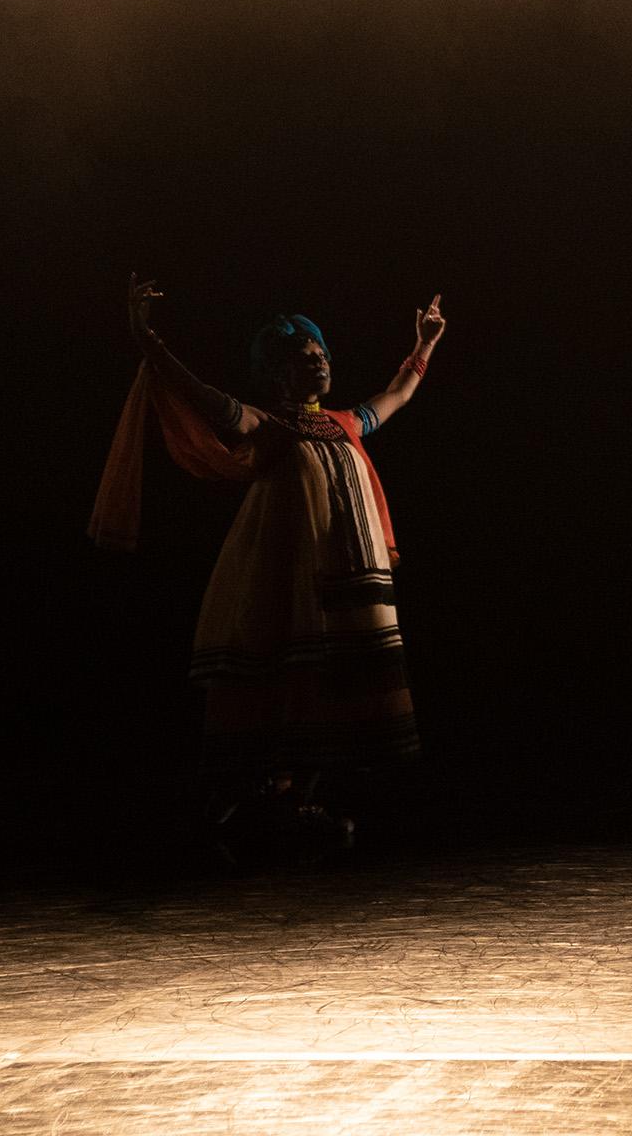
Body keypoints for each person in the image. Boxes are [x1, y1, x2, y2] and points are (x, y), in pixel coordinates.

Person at [92, 275, 446, 862]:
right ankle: (265, 792)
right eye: (307, 355)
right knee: (290, 674)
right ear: (280, 372)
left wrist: (425, 342)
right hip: (293, 577)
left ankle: (303, 796)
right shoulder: (267, 426)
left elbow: (400, 392)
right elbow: (197, 392)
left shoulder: (345, 423)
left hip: (349, 574)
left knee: (338, 682)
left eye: (324, 353)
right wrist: (145, 339)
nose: (321, 360)